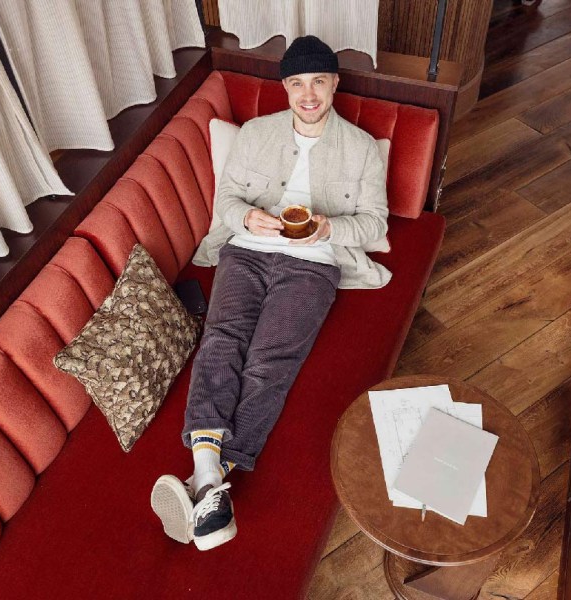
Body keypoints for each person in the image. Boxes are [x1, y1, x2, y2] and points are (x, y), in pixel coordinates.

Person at [151, 35, 391, 551]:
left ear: (334, 86)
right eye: (298, 83)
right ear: (285, 88)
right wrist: (246, 217)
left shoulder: (363, 148)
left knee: (271, 359)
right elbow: (228, 199)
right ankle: (211, 481)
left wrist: (328, 229)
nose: (309, 95)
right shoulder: (256, 134)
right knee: (222, 340)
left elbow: (374, 222)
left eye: (319, 83)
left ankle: (208, 477)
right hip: (246, 251)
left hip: (314, 264)